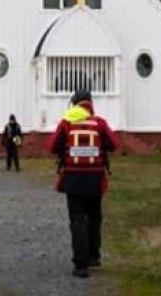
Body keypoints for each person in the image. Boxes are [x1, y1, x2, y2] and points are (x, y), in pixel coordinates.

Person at [46, 89, 118, 278]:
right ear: (90, 103)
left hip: (73, 177)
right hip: (95, 178)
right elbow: (113, 144)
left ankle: (81, 265)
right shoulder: (99, 123)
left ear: (75, 103)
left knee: (77, 220)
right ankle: (94, 255)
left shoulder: (66, 122)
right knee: (94, 217)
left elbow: (52, 147)